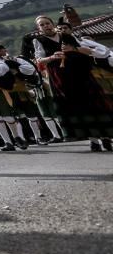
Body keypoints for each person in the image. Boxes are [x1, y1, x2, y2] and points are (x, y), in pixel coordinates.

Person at [33, 16, 113, 152]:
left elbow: (87, 51)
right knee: (78, 107)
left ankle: (106, 137)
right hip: (60, 77)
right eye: (42, 25)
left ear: (52, 24)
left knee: (94, 104)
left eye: (47, 23)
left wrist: (73, 49)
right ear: (39, 29)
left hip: (81, 74)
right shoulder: (38, 41)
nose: (46, 26)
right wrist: (52, 57)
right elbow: (39, 60)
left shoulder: (66, 36)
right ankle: (93, 140)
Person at [0, 39, 48, 145]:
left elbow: (30, 69)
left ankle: (38, 137)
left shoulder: (17, 59)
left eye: (0, 50)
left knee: (32, 115)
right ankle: (22, 139)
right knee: (15, 117)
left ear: (5, 50)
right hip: (8, 93)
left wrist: (16, 65)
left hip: (22, 90)